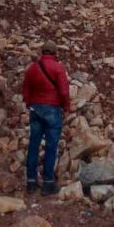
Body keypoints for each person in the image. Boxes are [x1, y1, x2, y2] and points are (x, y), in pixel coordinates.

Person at [22, 41, 70, 195]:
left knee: (33, 145)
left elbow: (25, 91)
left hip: (36, 109)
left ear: (42, 52)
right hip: (52, 109)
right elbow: (63, 91)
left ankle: (30, 182)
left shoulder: (32, 69)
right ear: (55, 52)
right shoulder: (58, 68)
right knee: (51, 146)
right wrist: (66, 107)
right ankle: (48, 182)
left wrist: (30, 104)